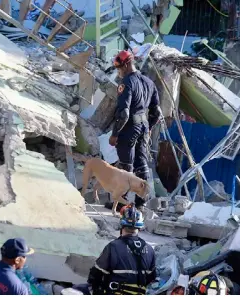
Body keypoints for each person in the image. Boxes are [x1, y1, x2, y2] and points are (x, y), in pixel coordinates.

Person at [109, 50, 162, 209]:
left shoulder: (126, 83)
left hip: (130, 127)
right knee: (142, 164)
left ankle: (120, 204)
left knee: (126, 165)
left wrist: (114, 134)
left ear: (125, 65)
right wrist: (149, 127)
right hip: (144, 126)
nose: (118, 72)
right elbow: (156, 112)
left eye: (118, 68)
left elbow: (124, 113)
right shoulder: (148, 82)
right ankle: (141, 203)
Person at [87, 204, 156, 295]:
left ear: (122, 225)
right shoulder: (150, 250)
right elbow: (151, 278)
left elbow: (95, 275)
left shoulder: (113, 247)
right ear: (139, 228)